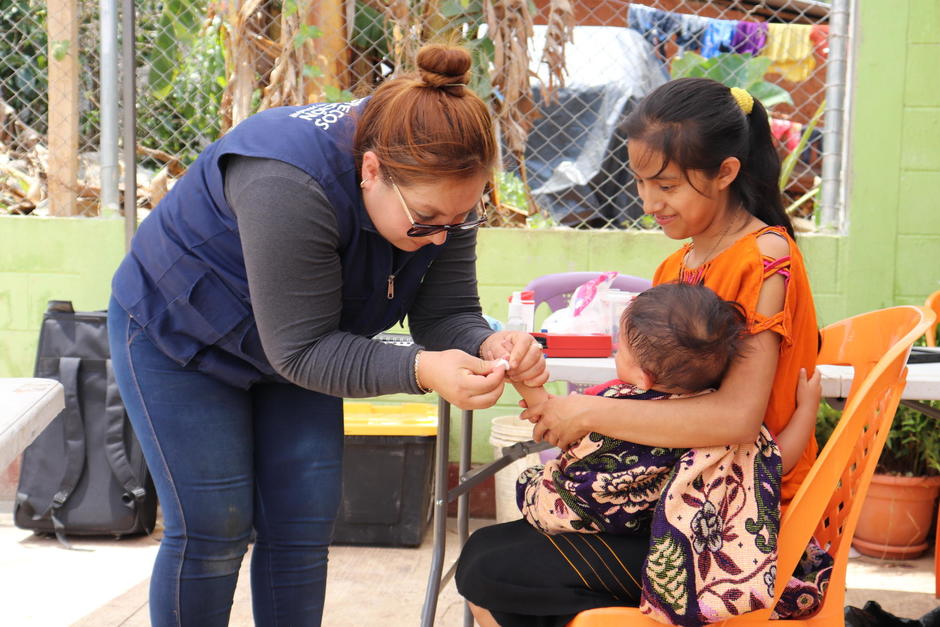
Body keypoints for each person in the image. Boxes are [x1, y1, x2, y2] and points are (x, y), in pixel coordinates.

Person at [107, 44, 547, 627]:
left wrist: (487, 342)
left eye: (460, 219)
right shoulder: (288, 181)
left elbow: (447, 314)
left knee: (301, 524)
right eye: (426, 222)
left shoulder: (439, 189)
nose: (442, 236)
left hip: (304, 344)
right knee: (214, 527)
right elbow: (302, 349)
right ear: (370, 172)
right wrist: (422, 369)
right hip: (182, 336)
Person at [457, 77, 819, 626]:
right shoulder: (675, 268)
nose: (649, 202)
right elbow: (651, 393)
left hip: (734, 515)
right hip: (672, 492)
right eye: (641, 182)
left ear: (726, 173)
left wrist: (587, 410)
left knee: (493, 571)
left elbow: (737, 419)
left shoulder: (767, 258)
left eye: (667, 186)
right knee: (489, 558)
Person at [514, 282, 820, 537]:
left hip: (586, 516)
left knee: (531, 481)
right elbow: (778, 459)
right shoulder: (711, 417)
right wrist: (807, 409)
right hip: (659, 532)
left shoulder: (615, 401)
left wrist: (520, 377)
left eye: (621, 347)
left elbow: (552, 422)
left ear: (642, 377)